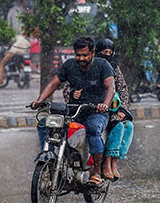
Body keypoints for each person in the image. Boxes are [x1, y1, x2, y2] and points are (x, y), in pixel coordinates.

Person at [31, 37, 116, 186]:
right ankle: (49, 163)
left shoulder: (103, 65)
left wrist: (104, 104)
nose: (81, 58)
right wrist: (40, 100)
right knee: (45, 124)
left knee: (93, 129)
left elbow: (110, 88)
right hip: (74, 111)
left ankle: (96, 172)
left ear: (93, 53)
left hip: (96, 112)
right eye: (78, 55)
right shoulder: (69, 65)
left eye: (85, 55)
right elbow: (53, 84)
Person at [95, 38, 133, 181]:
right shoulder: (93, 67)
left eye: (110, 52)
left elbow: (123, 89)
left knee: (128, 126)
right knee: (117, 126)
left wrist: (122, 109)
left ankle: (114, 162)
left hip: (115, 108)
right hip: (98, 108)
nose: (108, 55)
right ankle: (106, 163)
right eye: (105, 52)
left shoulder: (114, 68)